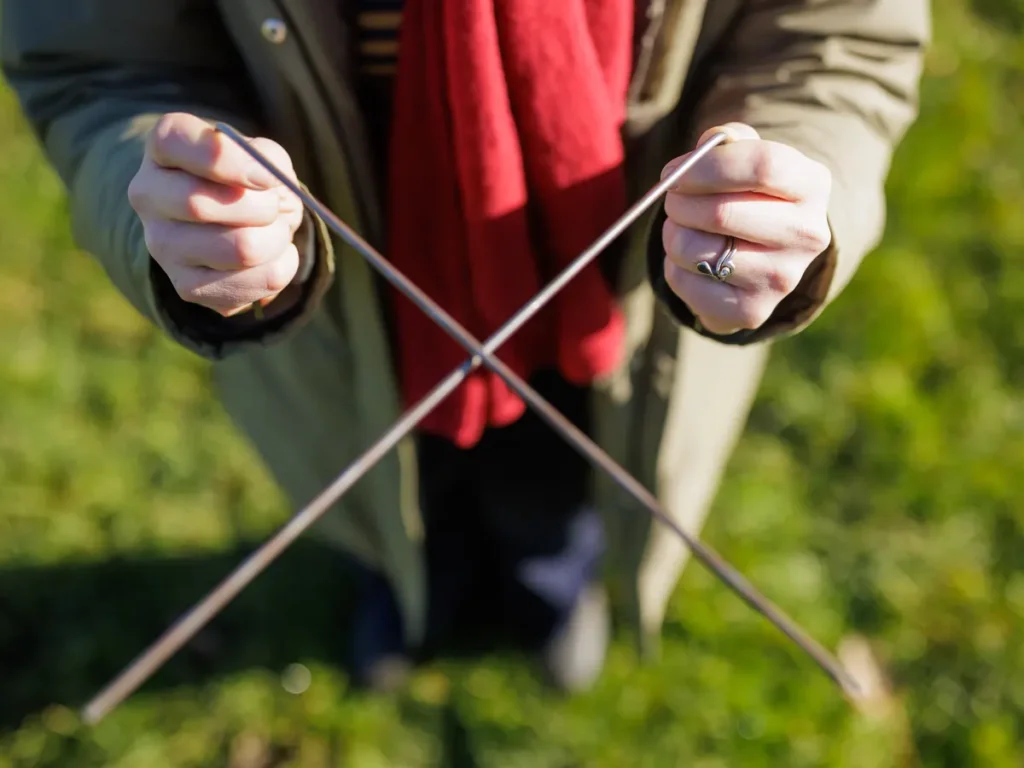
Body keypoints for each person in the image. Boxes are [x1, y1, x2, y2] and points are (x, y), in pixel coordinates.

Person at [1, 0, 928, 693]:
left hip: (610, 303)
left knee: (559, 485)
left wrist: (788, 182)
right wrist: (177, 199)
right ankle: (404, 590)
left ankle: (551, 595)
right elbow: (95, 62)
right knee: (385, 489)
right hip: (339, 321)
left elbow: (839, 39)